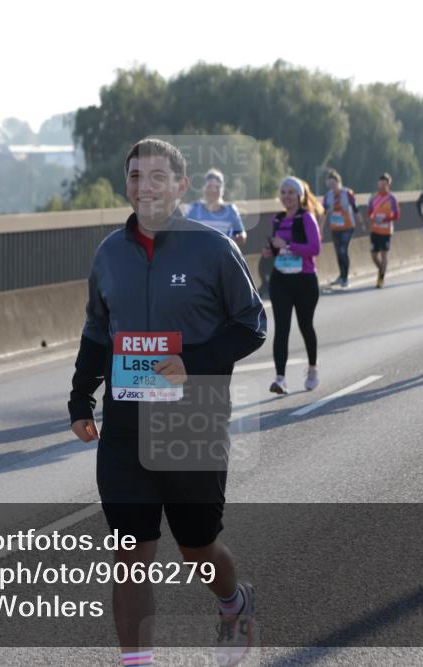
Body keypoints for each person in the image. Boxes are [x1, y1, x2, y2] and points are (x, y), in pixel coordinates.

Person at [67, 138, 266, 667]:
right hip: (126, 420)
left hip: (191, 416)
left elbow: (252, 323)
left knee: (197, 549)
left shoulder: (212, 248)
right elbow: (96, 331)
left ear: (181, 186)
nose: (144, 186)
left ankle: (232, 600)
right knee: (130, 555)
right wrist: (81, 397)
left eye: (158, 177)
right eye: (135, 176)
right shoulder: (109, 253)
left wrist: (196, 362)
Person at [263, 176, 323, 394]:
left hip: (305, 280)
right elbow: (279, 249)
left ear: (300, 195)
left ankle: (313, 368)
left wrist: (287, 244)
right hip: (281, 279)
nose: (286, 197)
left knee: (305, 325)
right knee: (281, 329)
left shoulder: (306, 218)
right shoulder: (277, 220)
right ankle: (280, 379)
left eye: (290, 192)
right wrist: (271, 251)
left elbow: (315, 249)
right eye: (283, 192)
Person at [185, 168, 248, 246]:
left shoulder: (231, 210)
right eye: (209, 187)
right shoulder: (194, 209)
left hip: (223, 255)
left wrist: (240, 237)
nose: (213, 191)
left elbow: (241, 234)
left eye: (217, 187)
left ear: (222, 190)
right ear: (203, 189)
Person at [322, 169, 358, 288]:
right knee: (338, 252)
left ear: (338, 182)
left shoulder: (347, 193)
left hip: (347, 227)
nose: (332, 186)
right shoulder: (327, 196)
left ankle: (345, 278)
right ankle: (341, 275)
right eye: (330, 183)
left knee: (343, 250)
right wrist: (320, 228)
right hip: (335, 227)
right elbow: (324, 213)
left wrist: (362, 223)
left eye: (334, 183)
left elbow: (355, 208)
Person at [368, 173, 400, 287]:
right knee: (373, 255)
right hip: (375, 230)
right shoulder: (373, 197)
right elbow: (369, 212)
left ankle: (380, 279)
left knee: (384, 255)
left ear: (388, 185)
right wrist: (373, 218)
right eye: (380, 183)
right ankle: (382, 269)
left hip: (386, 231)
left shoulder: (392, 198)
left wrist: (385, 219)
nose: (382, 186)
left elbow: (396, 216)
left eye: (384, 184)